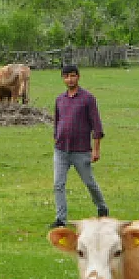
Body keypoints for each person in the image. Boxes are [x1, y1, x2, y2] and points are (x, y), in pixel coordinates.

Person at [51, 63, 107, 228]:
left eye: (73, 76)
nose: (70, 79)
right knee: (58, 184)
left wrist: (96, 149)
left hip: (81, 150)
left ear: (78, 76)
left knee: (89, 182)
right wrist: (56, 137)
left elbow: (96, 125)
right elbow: (57, 121)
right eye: (66, 76)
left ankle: (102, 208)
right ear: (63, 79)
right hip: (61, 149)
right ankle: (61, 219)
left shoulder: (88, 99)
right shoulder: (59, 100)